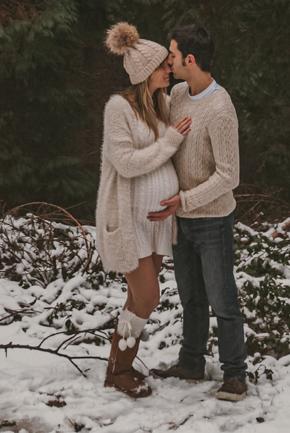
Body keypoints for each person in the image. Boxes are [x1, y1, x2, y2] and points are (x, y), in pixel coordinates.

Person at [146, 23, 247, 402]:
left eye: (172, 55)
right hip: (180, 218)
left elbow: (229, 176)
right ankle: (191, 362)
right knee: (190, 297)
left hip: (212, 220)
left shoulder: (221, 109)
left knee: (222, 300)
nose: (168, 62)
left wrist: (185, 201)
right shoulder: (177, 93)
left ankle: (235, 374)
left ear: (190, 59)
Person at [96, 22, 192, 398]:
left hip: (155, 222)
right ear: (144, 72)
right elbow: (127, 163)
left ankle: (117, 367)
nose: (169, 70)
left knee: (137, 299)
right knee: (148, 297)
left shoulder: (159, 103)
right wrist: (170, 141)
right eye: (163, 66)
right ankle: (119, 368)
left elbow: (188, 91)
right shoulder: (118, 108)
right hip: (129, 220)